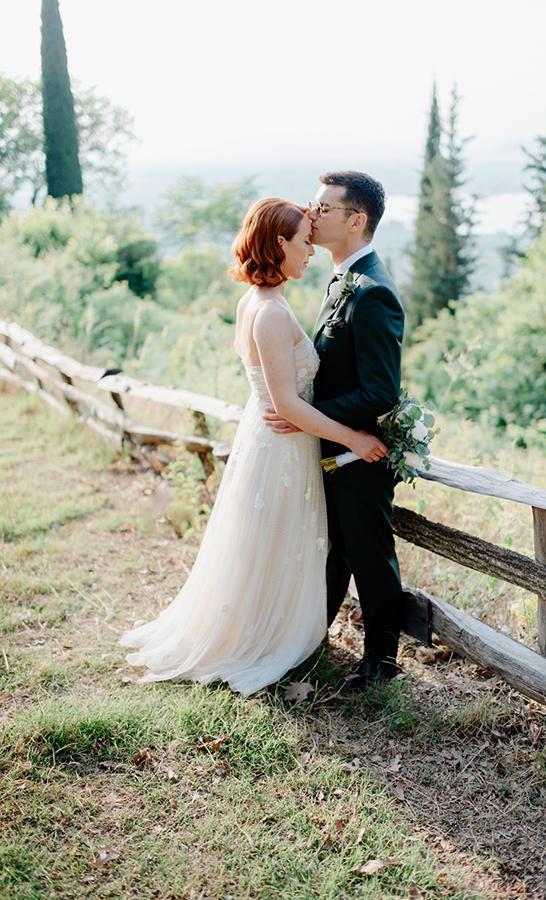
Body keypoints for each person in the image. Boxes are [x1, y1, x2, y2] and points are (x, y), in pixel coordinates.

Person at [120, 197, 388, 696]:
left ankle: (266, 625)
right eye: (304, 242)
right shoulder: (269, 312)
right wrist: (353, 437)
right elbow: (286, 404)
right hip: (281, 445)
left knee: (267, 544)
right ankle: (257, 637)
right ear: (280, 244)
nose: (311, 251)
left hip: (276, 439)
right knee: (272, 543)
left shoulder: (260, 300)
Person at [265, 172, 405, 691]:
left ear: (355, 220)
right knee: (336, 553)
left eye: (324, 208)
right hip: (333, 448)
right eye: (313, 204)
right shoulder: (342, 278)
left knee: (370, 559)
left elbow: (380, 392)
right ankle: (309, 641)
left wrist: (307, 412)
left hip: (360, 457)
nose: (312, 214)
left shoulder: (373, 292)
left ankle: (381, 664)